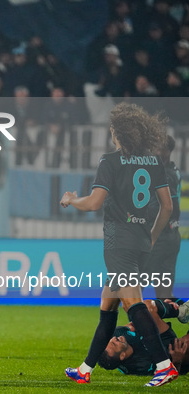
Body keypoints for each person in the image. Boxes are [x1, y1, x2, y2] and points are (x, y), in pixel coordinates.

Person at [60, 102, 178, 387]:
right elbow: (167, 207)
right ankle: (85, 368)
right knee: (108, 306)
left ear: (120, 134)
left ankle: (164, 366)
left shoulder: (110, 161)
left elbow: (95, 202)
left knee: (132, 304)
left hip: (118, 243)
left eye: (113, 129)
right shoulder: (155, 162)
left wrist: (71, 199)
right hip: (139, 241)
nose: (112, 133)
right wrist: (150, 235)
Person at [98, 299, 189, 376]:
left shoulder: (118, 333)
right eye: (114, 344)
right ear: (122, 356)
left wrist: (167, 309)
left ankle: (181, 312)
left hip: (158, 335)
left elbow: (141, 319)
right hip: (169, 352)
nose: (114, 339)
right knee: (185, 345)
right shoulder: (140, 365)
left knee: (144, 308)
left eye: (110, 340)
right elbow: (166, 375)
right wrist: (177, 361)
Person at [147, 135, 182, 300]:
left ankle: (139, 324)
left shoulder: (165, 175)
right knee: (164, 292)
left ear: (169, 150)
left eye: (160, 148)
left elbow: (169, 207)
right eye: (155, 148)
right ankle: (164, 324)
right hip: (173, 235)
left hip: (161, 236)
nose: (157, 152)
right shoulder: (174, 169)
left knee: (135, 284)